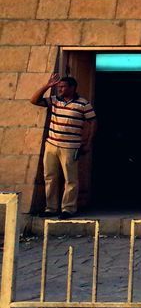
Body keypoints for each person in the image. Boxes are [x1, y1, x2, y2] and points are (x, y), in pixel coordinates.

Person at [29, 74, 96, 218]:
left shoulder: (83, 104)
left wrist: (88, 142)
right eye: (59, 87)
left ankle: (68, 209)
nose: (60, 89)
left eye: (63, 86)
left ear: (72, 88)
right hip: (52, 144)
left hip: (71, 146)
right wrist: (48, 86)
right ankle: (51, 208)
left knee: (70, 179)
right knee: (50, 176)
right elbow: (34, 100)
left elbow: (93, 122)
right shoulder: (54, 101)